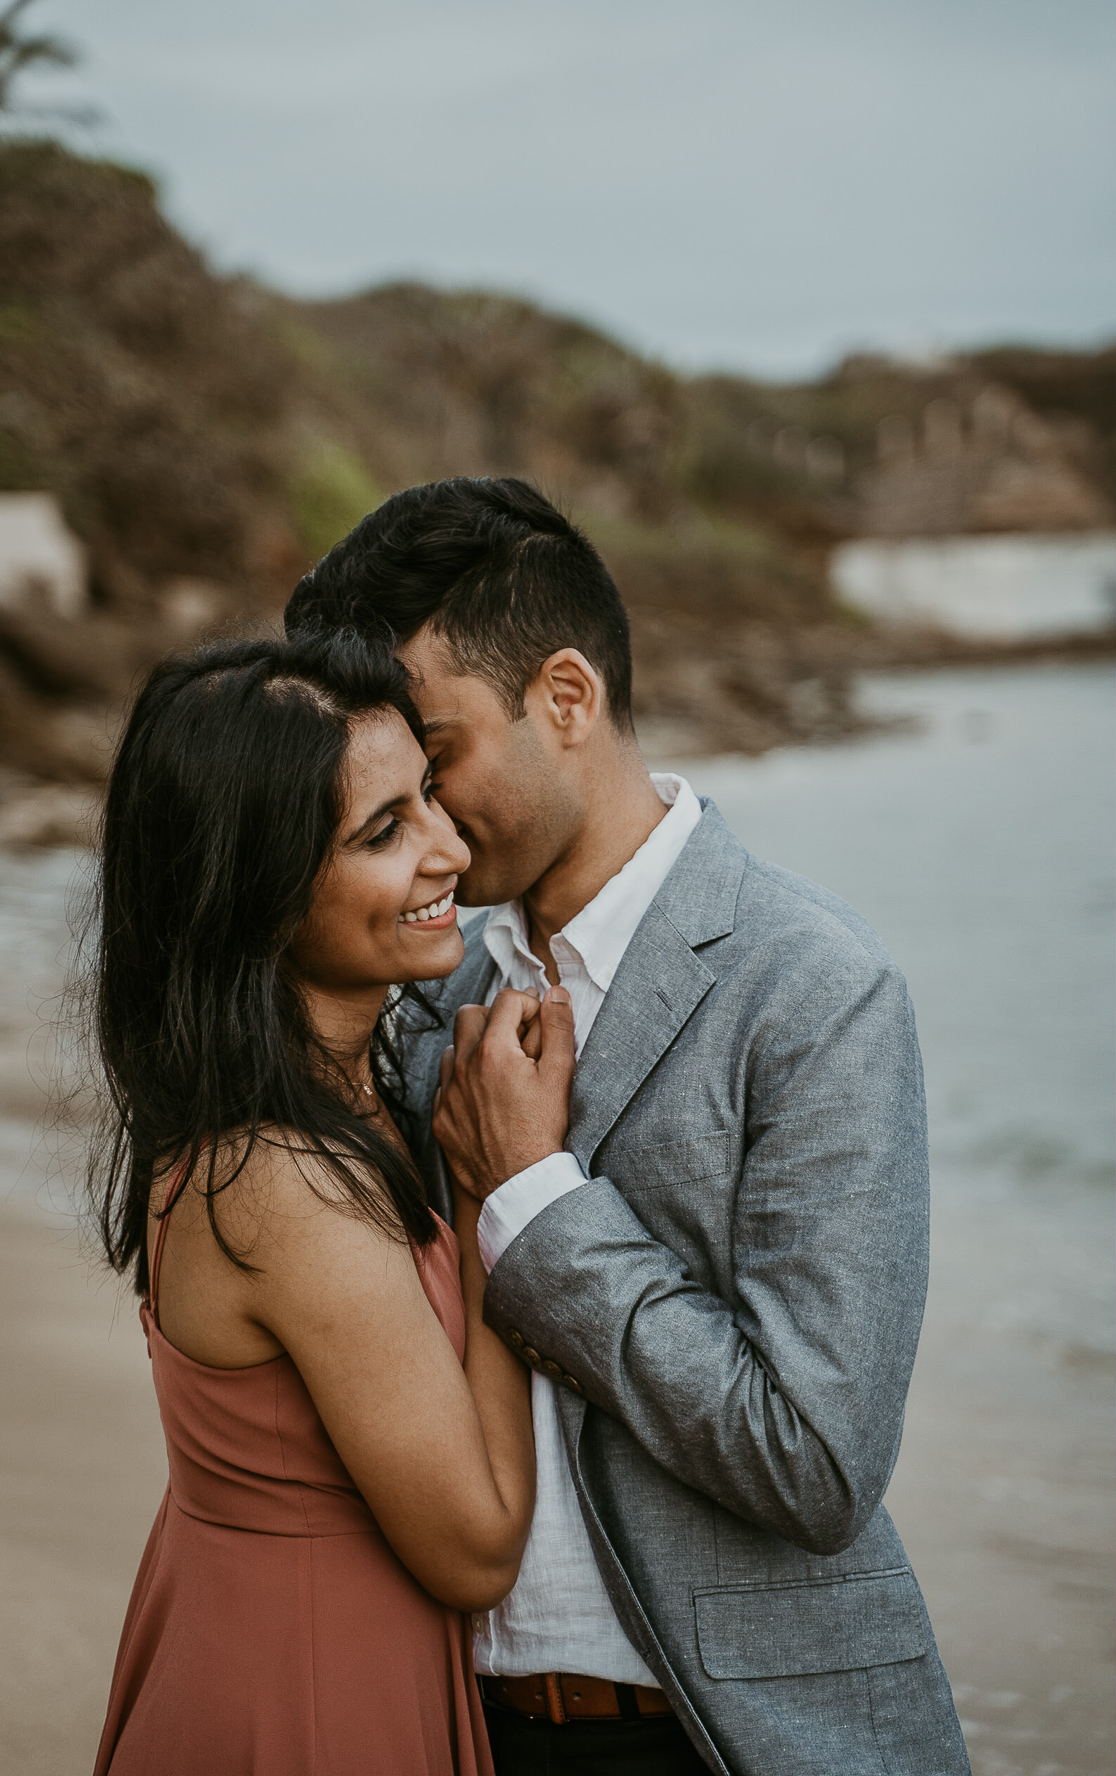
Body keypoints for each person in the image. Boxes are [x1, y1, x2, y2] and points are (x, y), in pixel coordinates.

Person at [284, 477, 973, 1776]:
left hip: (738, 1744)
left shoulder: (812, 987)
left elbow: (815, 1462)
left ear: (566, 698)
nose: (423, 824)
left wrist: (536, 1200)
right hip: (460, 1732)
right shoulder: (438, 990)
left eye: (437, 763)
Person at [88, 628, 545, 1776]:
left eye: (429, 796)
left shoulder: (305, 1101)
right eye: (385, 831)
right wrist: (502, 1194)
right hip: (303, 1693)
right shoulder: (282, 1183)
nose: (447, 849)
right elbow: (478, 1550)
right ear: (259, 892)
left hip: (261, 1630)